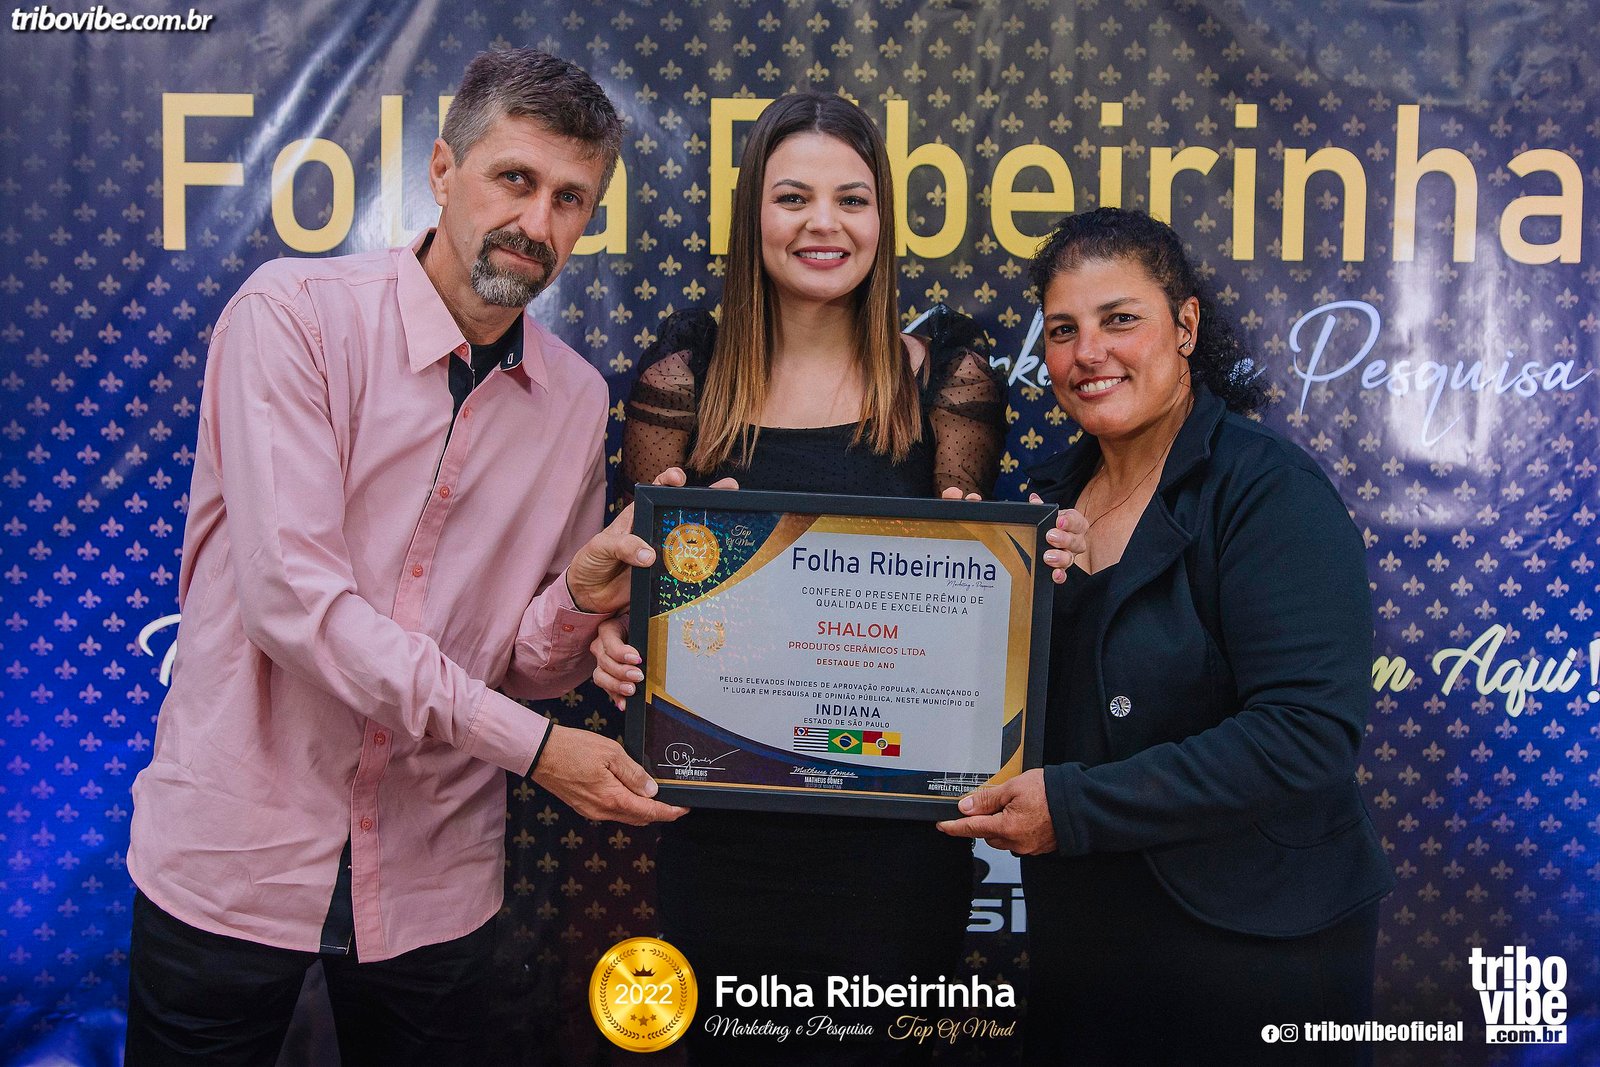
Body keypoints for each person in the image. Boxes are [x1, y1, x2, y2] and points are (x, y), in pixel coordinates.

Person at [125, 49, 687, 1067]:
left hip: (437, 877)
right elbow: (296, 606)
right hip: (234, 855)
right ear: (441, 170)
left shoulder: (576, 399)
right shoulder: (292, 315)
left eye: (569, 198)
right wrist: (536, 750)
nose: (537, 222)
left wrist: (576, 594)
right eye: (514, 178)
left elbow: (528, 666)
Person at [590, 92, 1080, 1064]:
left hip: (894, 847)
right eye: (793, 198)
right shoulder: (684, 379)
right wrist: (617, 638)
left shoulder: (947, 382)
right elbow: (633, 578)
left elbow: (973, 596)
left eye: (852, 199)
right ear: (752, 217)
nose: (825, 223)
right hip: (726, 831)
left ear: (883, 220)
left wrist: (1035, 572)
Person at [938, 208, 1395, 1066]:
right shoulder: (1041, 507)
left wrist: (1075, 809)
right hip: (1091, 942)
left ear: (1184, 325)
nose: (1088, 353)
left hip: (1258, 947)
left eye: (1119, 319)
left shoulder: (1268, 490)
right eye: (1063, 330)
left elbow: (1306, 736)